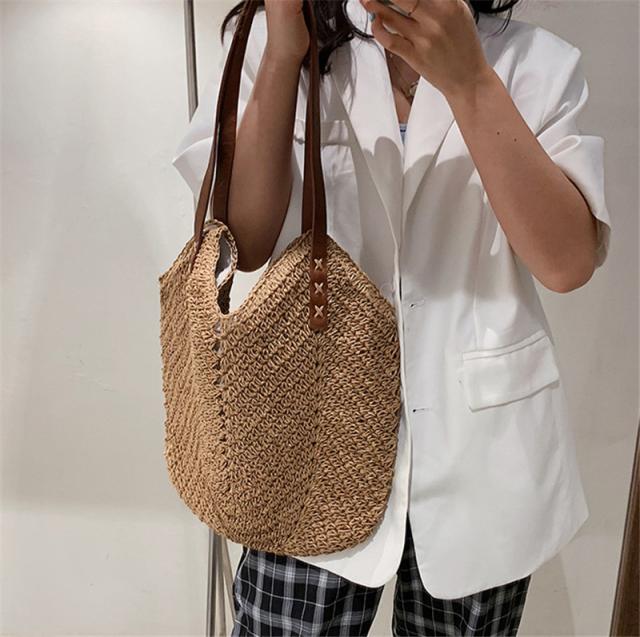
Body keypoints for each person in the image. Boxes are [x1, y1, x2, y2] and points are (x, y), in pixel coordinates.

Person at [171, 0, 612, 634]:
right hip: (303, 443)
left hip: (481, 457)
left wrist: (470, 82)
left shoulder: (534, 63)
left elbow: (567, 264)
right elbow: (243, 244)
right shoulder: (281, 36)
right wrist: (282, 55)